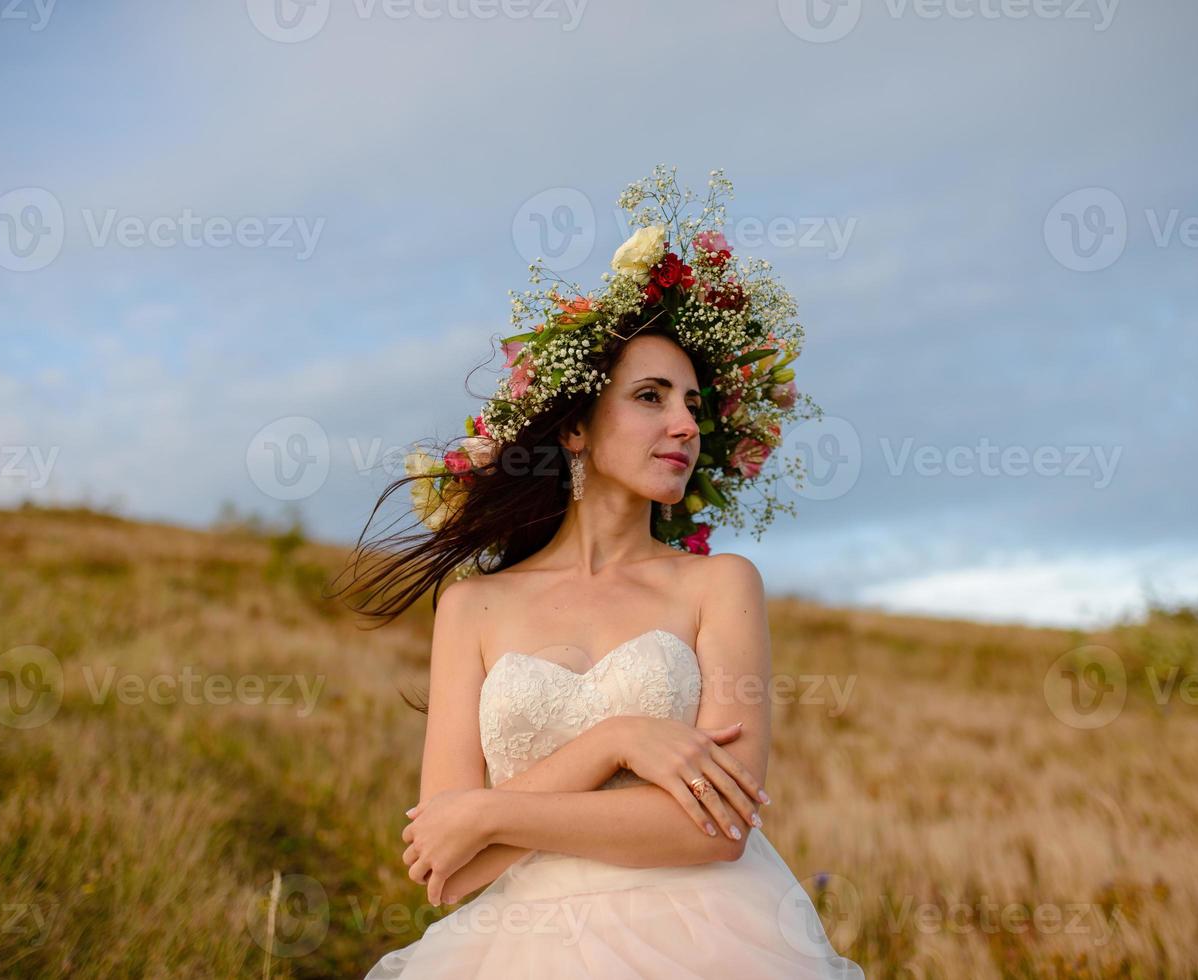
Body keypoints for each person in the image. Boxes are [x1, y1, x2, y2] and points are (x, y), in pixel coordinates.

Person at [345, 167, 864, 978]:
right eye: (652, 397)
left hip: (709, 943)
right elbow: (446, 867)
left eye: (693, 404)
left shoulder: (719, 586)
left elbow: (716, 832)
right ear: (578, 430)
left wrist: (492, 814)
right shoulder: (473, 607)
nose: (685, 424)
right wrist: (616, 743)